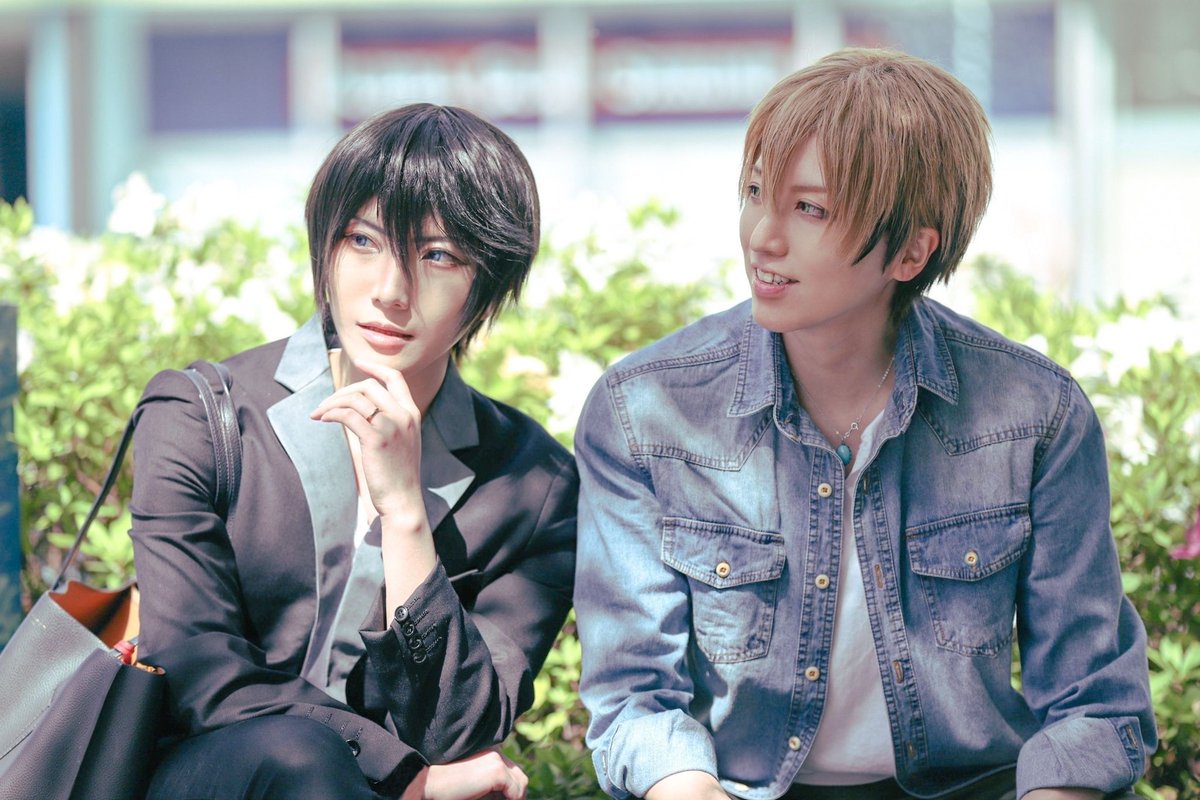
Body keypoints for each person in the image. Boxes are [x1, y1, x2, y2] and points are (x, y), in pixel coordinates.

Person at [573, 48, 1155, 800]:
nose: (762, 236)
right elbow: (633, 699)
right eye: (755, 192)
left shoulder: (1033, 414)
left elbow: (1094, 705)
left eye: (809, 209)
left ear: (911, 251)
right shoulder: (645, 410)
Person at [130, 104, 578, 800]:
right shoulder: (201, 416)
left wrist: (405, 515)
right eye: (364, 241)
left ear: (487, 283)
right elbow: (198, 675)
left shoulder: (535, 483)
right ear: (326, 248)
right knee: (298, 754)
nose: (391, 291)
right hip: (206, 780)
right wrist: (408, 779)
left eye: (437, 255)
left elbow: (464, 729)